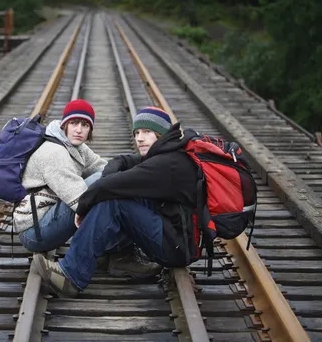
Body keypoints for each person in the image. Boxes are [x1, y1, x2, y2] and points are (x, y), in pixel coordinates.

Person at [32, 107, 200, 297]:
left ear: (161, 134)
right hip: (170, 235)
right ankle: (120, 255)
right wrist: (109, 177)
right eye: (137, 133)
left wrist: (83, 208)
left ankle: (70, 276)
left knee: (114, 203)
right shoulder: (165, 154)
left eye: (147, 132)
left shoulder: (167, 165)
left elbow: (111, 186)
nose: (139, 138)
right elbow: (122, 160)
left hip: (175, 247)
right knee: (120, 195)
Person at [14, 100, 162, 278]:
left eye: (85, 125)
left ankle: (118, 255)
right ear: (64, 125)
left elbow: (104, 167)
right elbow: (80, 200)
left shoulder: (77, 148)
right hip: (35, 232)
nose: (78, 129)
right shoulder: (54, 152)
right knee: (106, 193)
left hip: (47, 217)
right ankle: (120, 255)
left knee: (110, 183)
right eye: (74, 123)